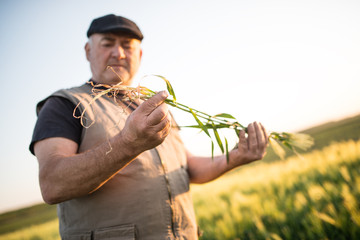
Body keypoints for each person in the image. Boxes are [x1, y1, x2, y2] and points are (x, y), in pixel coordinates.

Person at [30, 14, 268, 240]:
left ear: (140, 54)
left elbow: (188, 167)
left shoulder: (154, 106)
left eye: (127, 45)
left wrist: (236, 156)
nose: (119, 53)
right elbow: (53, 184)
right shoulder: (64, 104)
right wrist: (128, 143)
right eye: (107, 43)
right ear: (88, 50)